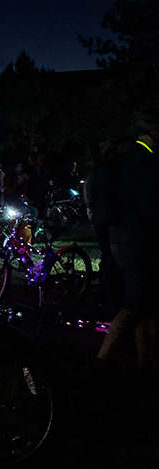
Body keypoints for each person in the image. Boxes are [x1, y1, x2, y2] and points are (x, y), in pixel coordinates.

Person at [96, 131, 159, 381]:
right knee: (135, 303)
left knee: (148, 303)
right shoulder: (144, 161)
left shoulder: (119, 162)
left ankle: (147, 363)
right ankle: (101, 362)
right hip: (138, 239)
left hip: (121, 237)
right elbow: (148, 204)